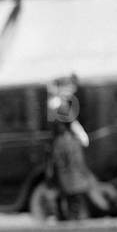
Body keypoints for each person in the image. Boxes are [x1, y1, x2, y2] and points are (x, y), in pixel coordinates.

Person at [47, 76, 93, 221]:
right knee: (73, 181)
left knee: (65, 182)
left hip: (60, 145)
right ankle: (73, 216)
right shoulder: (58, 104)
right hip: (66, 146)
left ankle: (64, 215)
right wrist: (82, 135)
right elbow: (71, 122)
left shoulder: (53, 103)